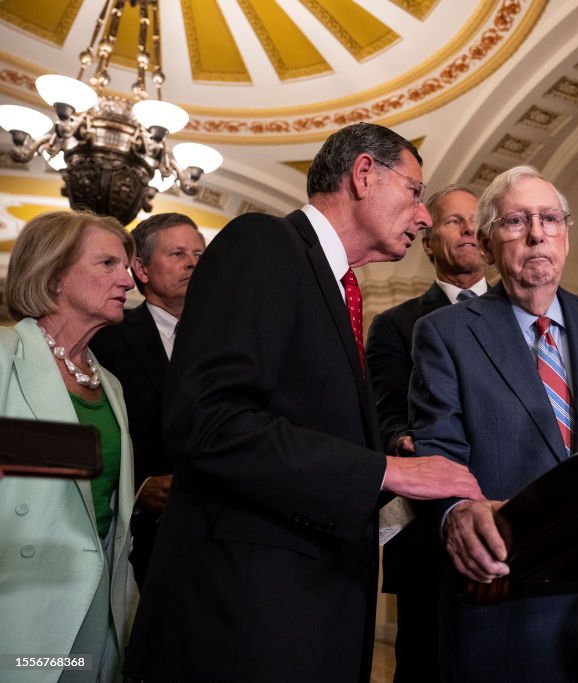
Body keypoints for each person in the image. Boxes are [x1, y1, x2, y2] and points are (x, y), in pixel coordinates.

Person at [123, 123, 483, 682]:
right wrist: (386, 470)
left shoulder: (335, 285)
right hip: (245, 620)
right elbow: (208, 422)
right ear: (364, 174)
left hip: (304, 611)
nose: (423, 217)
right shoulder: (263, 243)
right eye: (415, 192)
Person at [408, 165, 578, 682]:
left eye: (549, 219)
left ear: (565, 235)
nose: (537, 234)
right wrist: (456, 515)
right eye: (516, 221)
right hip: (506, 598)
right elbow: (438, 453)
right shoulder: (444, 334)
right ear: (486, 244)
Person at [0, 209, 138, 682]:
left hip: (97, 599)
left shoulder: (111, 385)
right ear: (54, 275)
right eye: (107, 264)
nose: (128, 281)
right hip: (19, 602)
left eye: (126, 266)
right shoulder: (4, 356)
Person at [366, 184, 486, 682]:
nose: (469, 230)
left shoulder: (525, 313)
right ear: (428, 242)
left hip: (513, 513)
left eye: (476, 220)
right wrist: (404, 442)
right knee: (426, 661)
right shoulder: (395, 325)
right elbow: (387, 414)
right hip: (428, 525)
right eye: (454, 221)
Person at [90, 212, 205, 586]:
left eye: (199, 255)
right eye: (177, 253)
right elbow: (91, 435)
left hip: (216, 537)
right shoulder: (105, 338)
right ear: (140, 269)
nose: (192, 262)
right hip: (139, 542)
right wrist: (137, 489)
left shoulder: (231, 339)